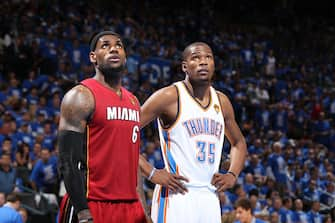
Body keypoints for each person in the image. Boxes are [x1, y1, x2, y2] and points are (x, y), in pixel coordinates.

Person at [140, 42, 247, 223]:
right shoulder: (168, 97)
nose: (203, 62)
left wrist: (232, 174)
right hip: (176, 195)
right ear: (185, 66)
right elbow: (123, 133)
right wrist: (150, 172)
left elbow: (239, 143)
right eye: (196, 58)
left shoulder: (222, 102)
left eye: (208, 57)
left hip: (210, 197)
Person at [57, 31, 147, 223]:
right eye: (105, 45)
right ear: (93, 57)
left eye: (119, 45)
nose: (113, 48)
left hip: (130, 205)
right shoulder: (81, 96)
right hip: (92, 203)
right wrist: (82, 212)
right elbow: (67, 161)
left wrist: (144, 211)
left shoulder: (133, 101)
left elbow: (133, 163)